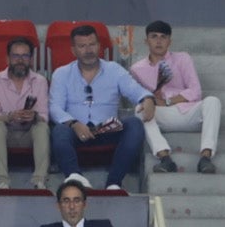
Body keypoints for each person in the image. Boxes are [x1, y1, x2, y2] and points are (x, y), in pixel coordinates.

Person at [49, 24, 156, 189]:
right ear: (73, 50)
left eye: (92, 44)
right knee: (59, 131)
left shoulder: (114, 70)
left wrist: (147, 98)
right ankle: (75, 179)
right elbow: (55, 108)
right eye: (82, 46)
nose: (88, 50)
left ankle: (113, 183)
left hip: (107, 131)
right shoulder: (62, 73)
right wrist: (74, 124)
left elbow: (135, 90)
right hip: (76, 132)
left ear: (99, 46)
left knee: (134, 125)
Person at [0, 35, 49, 191]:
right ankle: (2, 182)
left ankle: (40, 181)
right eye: (16, 56)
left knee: (41, 127)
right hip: (6, 134)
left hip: (29, 134)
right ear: (7, 58)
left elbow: (45, 116)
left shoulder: (40, 81)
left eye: (25, 56)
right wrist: (10, 116)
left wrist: (34, 116)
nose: (20, 60)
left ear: (31, 59)